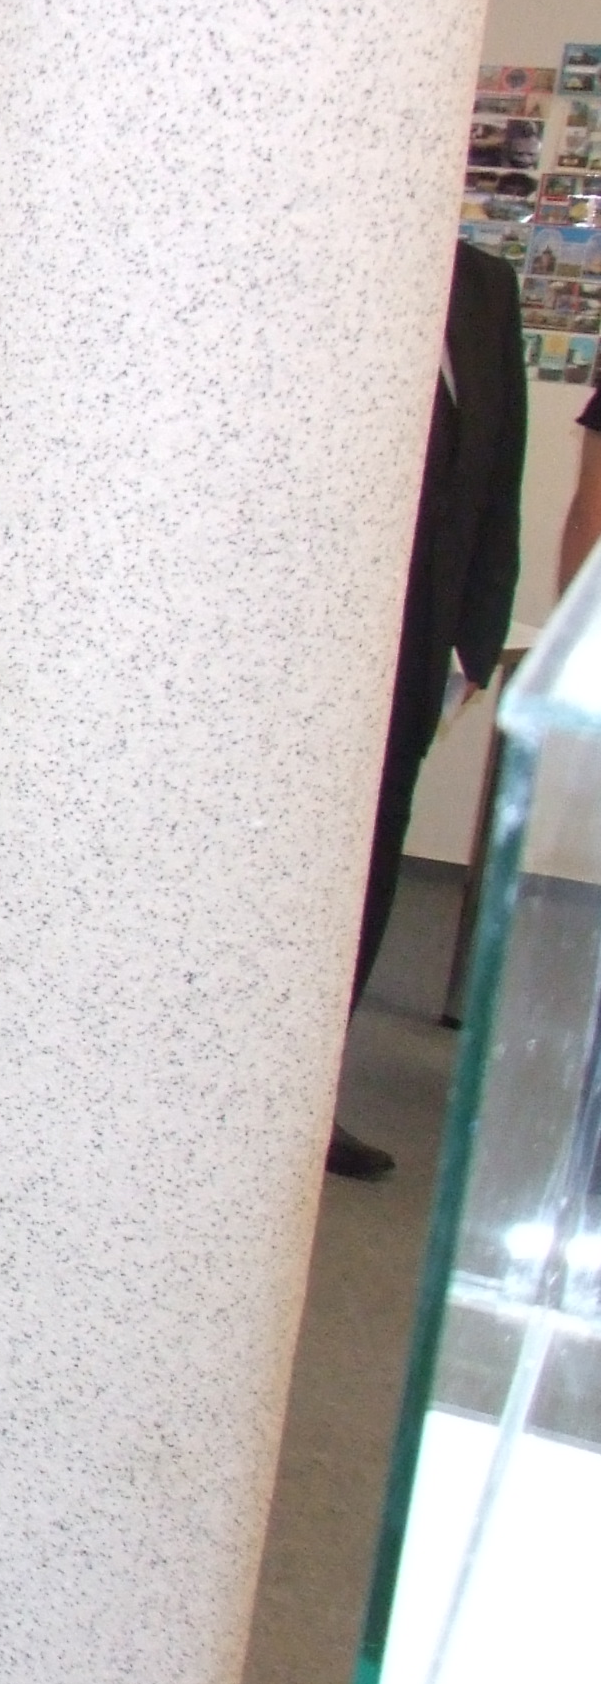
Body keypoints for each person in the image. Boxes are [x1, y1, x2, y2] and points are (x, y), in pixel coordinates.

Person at [332, 240, 525, 1182]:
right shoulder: (325, 248)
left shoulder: (483, 287)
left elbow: (497, 471)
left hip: (415, 645)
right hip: (294, 645)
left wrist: (476, 635)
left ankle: (306, 1095)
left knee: (369, 866)